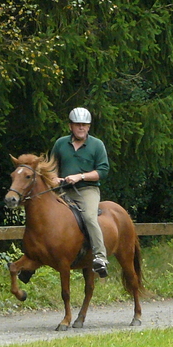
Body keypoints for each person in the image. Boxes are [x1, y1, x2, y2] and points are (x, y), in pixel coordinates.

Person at [51, 107, 111, 278]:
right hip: (63, 190)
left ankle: (100, 256)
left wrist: (80, 176)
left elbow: (103, 171)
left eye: (84, 125)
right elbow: (52, 167)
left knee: (90, 217)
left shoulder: (97, 145)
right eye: (77, 125)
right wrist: (54, 178)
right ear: (70, 126)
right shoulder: (60, 144)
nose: (81, 128)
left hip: (87, 190)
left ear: (89, 127)